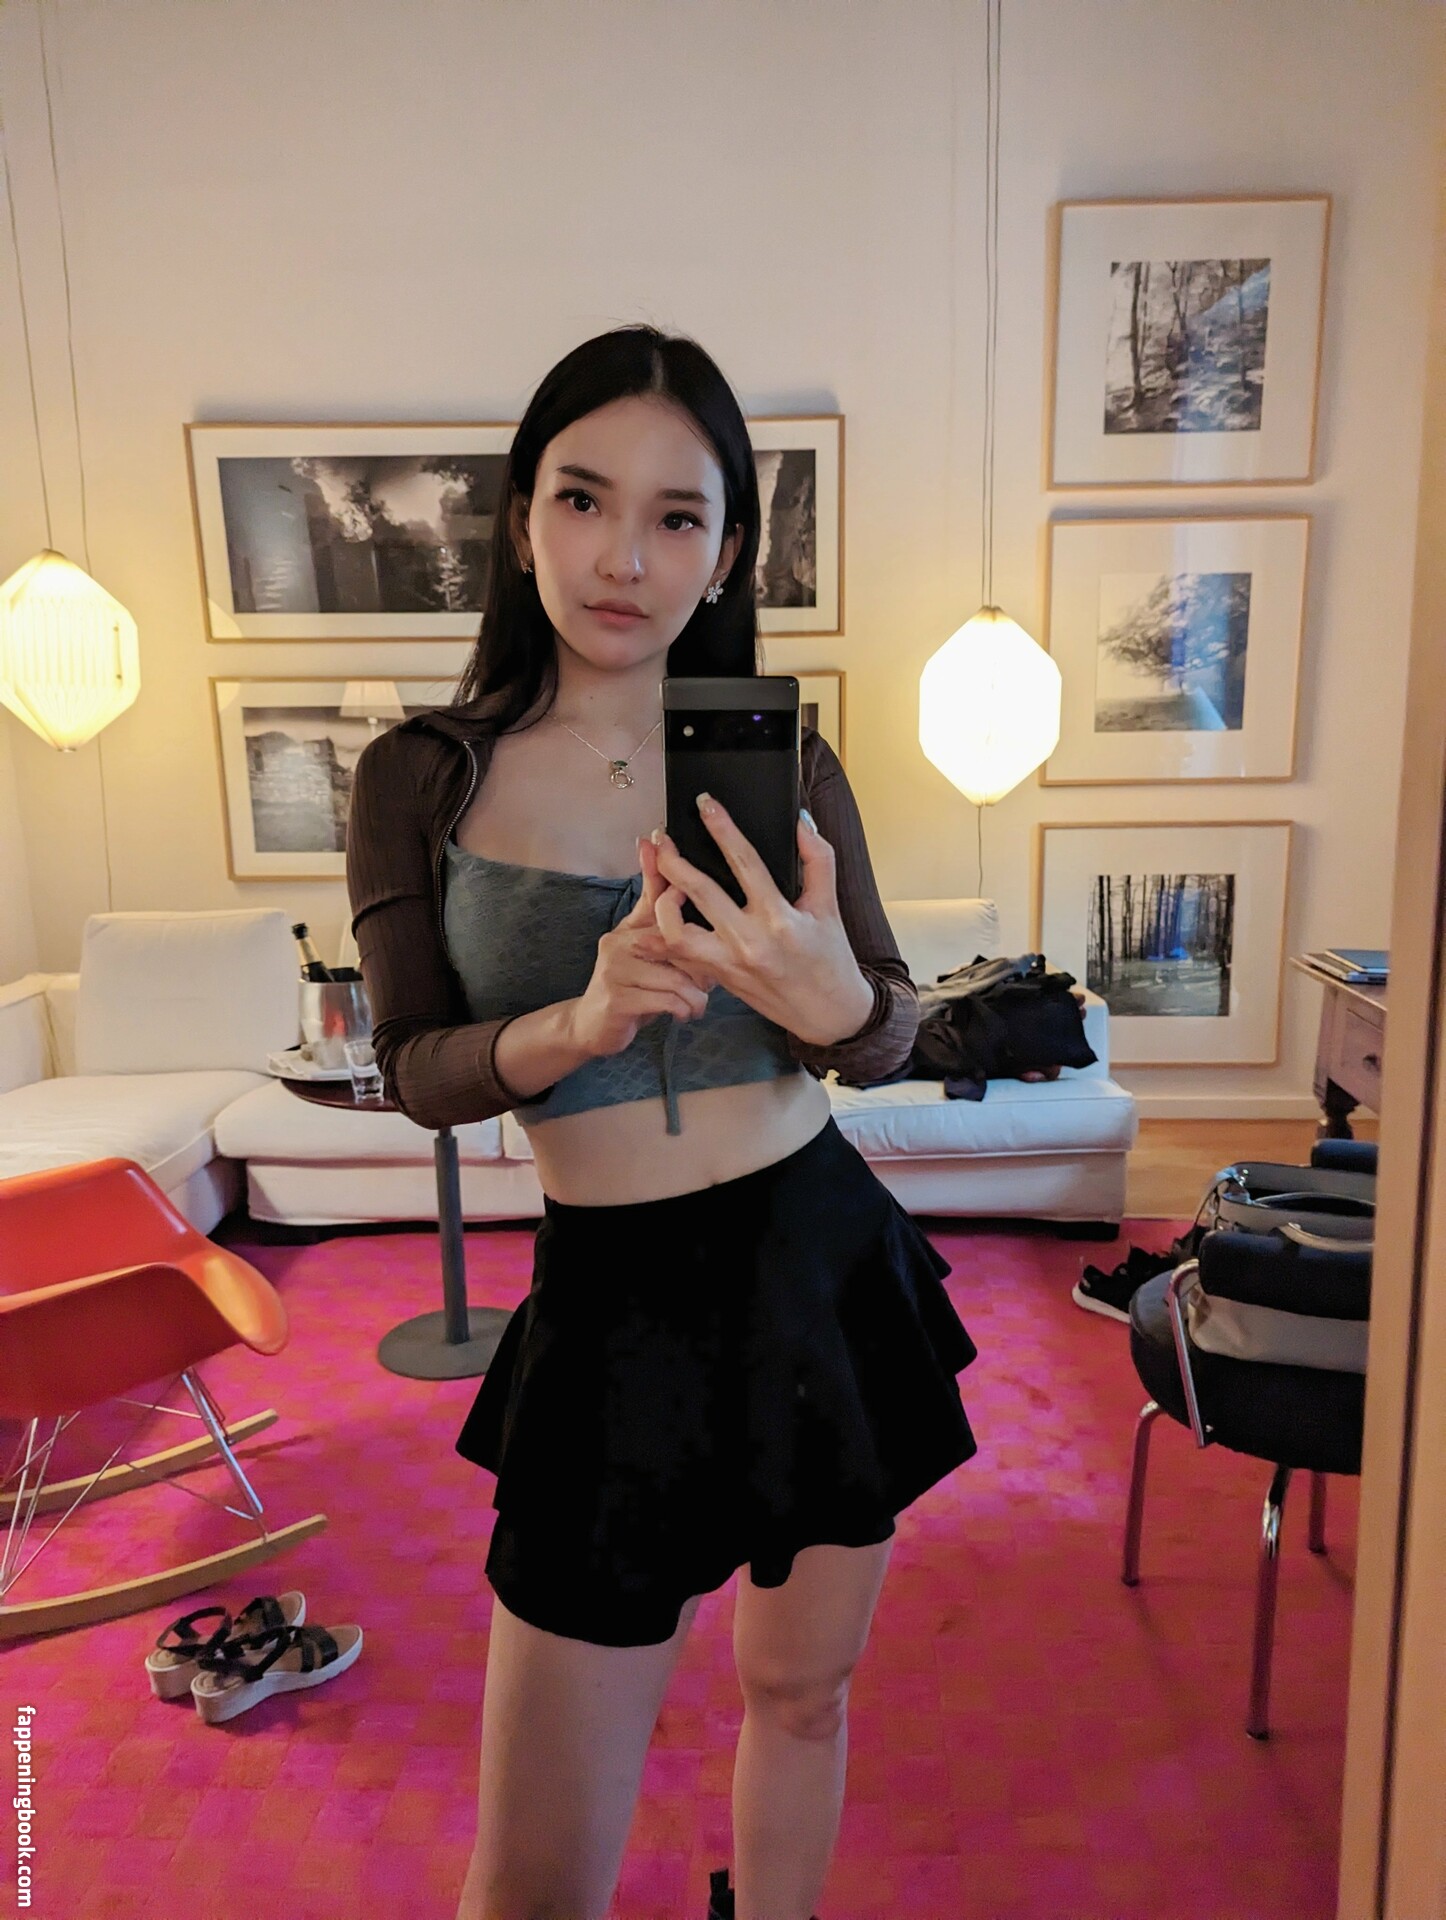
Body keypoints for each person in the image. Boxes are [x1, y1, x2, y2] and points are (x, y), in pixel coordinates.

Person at [346, 324, 1010, 1920]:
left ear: (724, 552)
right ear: (522, 518)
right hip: (614, 1304)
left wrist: (827, 998)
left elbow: (888, 1030)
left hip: (816, 1259)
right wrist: (574, 1024)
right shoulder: (423, 776)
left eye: (675, 516)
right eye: (583, 499)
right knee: (531, 1878)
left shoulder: (782, 759)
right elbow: (416, 1067)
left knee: (803, 1693)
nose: (622, 558)